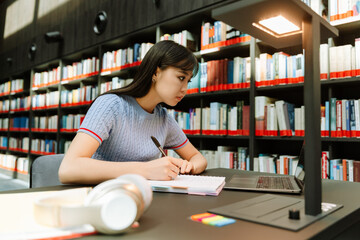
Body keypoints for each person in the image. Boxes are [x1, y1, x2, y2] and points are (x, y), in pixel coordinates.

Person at [59, 40, 207, 184]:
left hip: (142, 197)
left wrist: (190, 166)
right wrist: (146, 170)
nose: (184, 89)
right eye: (181, 78)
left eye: (188, 81)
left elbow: (197, 157)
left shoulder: (164, 119)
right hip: (104, 198)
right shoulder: (112, 105)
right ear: (156, 72)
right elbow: (68, 169)